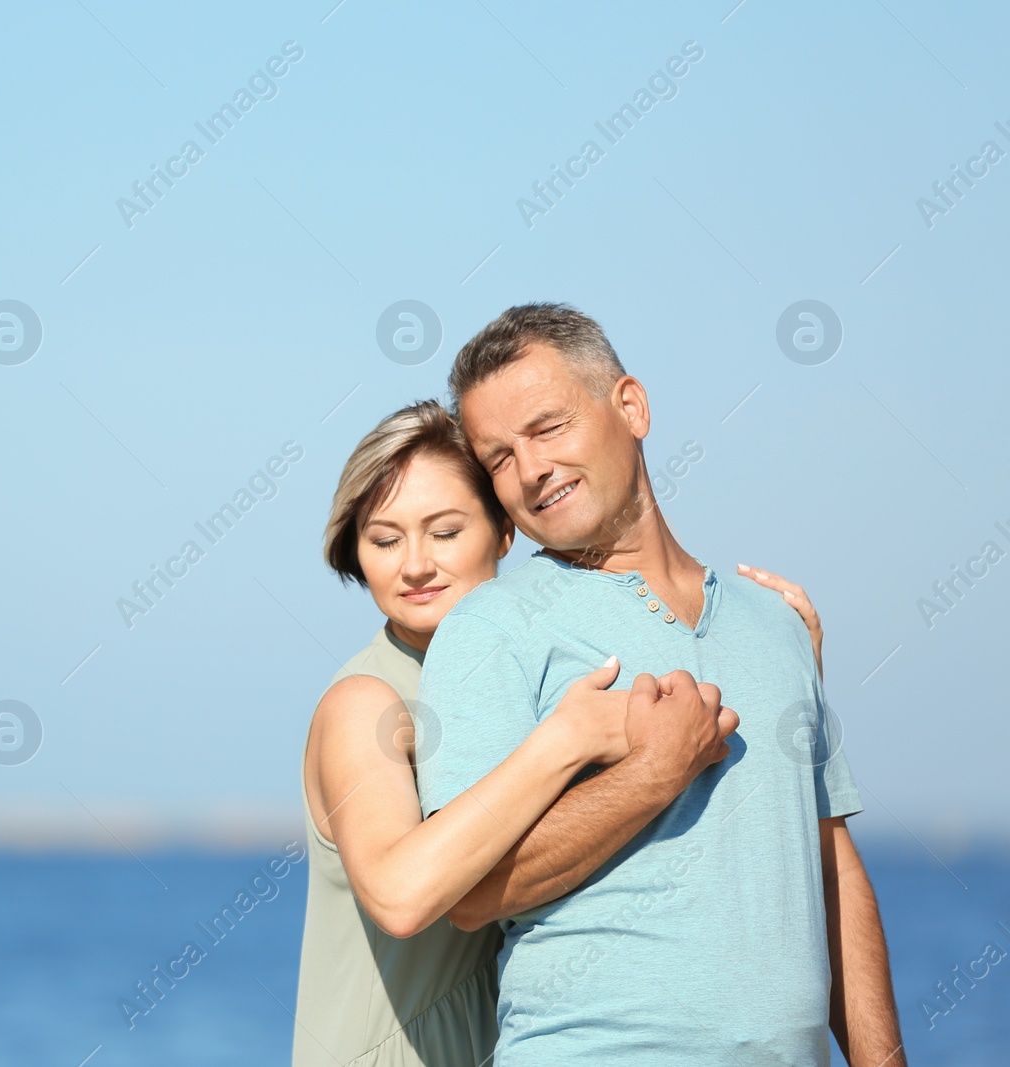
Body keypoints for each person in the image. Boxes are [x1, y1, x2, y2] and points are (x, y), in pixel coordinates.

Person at [416, 303, 903, 1066]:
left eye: (547, 427)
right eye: (499, 457)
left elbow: (831, 864)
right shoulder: (490, 628)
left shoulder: (774, 623)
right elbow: (472, 894)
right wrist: (653, 774)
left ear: (631, 406)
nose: (531, 468)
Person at [293, 400, 826, 1067]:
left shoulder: (535, 676)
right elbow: (401, 897)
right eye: (385, 539)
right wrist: (565, 741)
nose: (415, 565)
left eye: (445, 531)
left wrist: (782, 650)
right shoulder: (366, 703)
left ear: (505, 533)